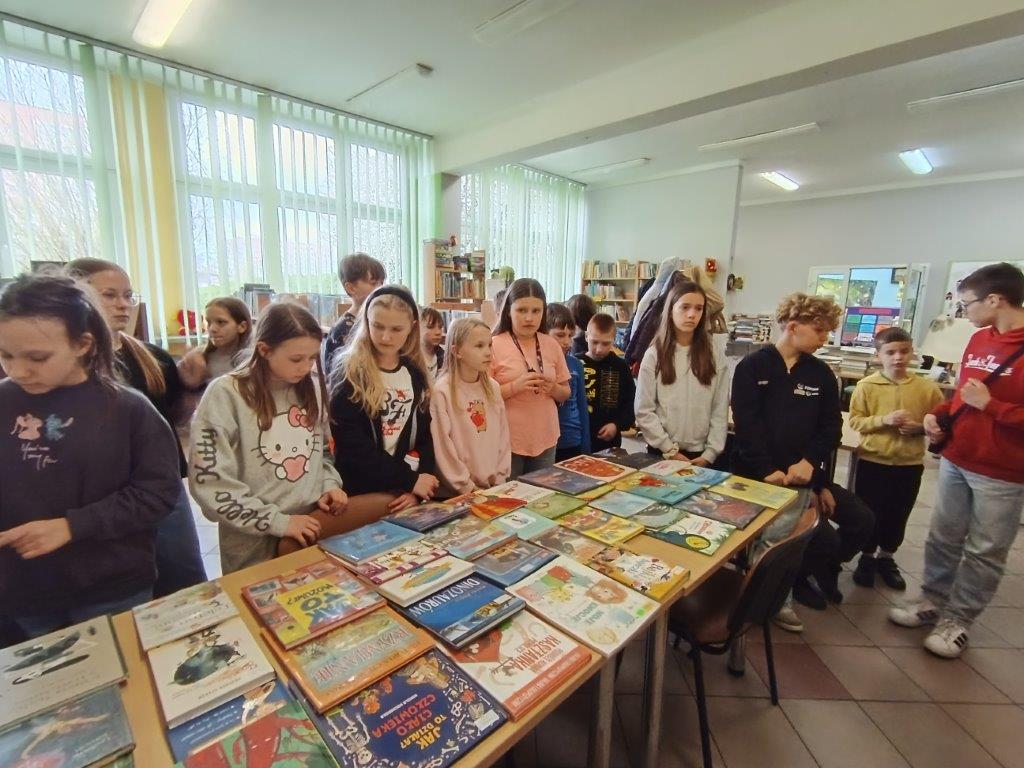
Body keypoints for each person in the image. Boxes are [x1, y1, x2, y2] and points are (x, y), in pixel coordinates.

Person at [0, 274, 181, 637]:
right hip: (24, 589)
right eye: (5, 355)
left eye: (38, 357)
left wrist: (73, 526)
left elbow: (158, 493)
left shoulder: (128, 409)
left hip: (111, 586)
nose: (18, 371)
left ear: (83, 344)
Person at [890, 262, 1024, 658]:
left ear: (995, 299)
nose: (963, 312)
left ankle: (959, 620)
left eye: (967, 304)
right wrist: (939, 415)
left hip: (1002, 470)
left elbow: (983, 399)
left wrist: (992, 406)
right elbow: (964, 393)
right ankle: (932, 600)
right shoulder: (980, 338)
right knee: (943, 535)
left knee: (984, 550)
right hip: (957, 456)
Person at [66, 258, 206, 597]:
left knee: (183, 577)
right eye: (109, 295)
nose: (123, 305)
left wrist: (193, 383)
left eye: (128, 295)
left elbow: (172, 416)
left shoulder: (152, 357)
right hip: (108, 494)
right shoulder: (70, 368)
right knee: (128, 586)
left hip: (161, 483)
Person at [731, 292, 873, 621]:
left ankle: (779, 597)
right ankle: (756, 602)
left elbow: (831, 428)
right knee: (765, 539)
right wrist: (766, 469)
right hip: (756, 475)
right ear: (793, 326)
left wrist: (810, 463)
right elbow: (746, 425)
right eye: (820, 331)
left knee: (793, 541)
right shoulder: (752, 366)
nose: (825, 339)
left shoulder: (821, 374)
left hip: (801, 477)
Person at [188, 302, 348, 574]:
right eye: (296, 359)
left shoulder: (310, 388)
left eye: (312, 358)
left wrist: (329, 485)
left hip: (310, 525)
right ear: (264, 350)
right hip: (251, 541)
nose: (306, 367)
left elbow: (320, 452)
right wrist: (278, 522)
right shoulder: (225, 394)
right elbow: (211, 484)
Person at [848, 327, 943, 590]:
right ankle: (867, 557)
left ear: (912, 353)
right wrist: (884, 421)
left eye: (904, 351)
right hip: (873, 461)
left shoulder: (927, 389)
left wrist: (920, 428)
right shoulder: (866, 386)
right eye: (890, 352)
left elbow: (939, 423)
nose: (898, 357)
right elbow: (856, 421)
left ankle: (886, 557)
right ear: (878, 355)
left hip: (909, 464)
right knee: (870, 512)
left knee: (898, 513)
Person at [329, 285, 438, 513]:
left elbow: (425, 437)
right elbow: (354, 447)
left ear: (412, 328)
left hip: (402, 492)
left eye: (396, 329)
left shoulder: (415, 373)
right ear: (366, 322)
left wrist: (417, 487)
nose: (386, 337)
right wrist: (410, 481)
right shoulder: (349, 373)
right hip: (358, 491)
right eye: (377, 326)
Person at [635, 279, 726, 466]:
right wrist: (669, 449)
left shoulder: (714, 355)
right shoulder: (654, 355)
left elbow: (720, 408)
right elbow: (644, 410)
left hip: (701, 455)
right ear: (670, 310)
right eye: (685, 307)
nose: (692, 314)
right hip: (662, 453)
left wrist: (710, 454)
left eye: (698, 309)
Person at [490, 279, 571, 477]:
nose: (529, 318)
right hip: (507, 439)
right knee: (508, 493)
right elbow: (482, 397)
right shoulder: (493, 344)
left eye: (536, 311)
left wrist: (553, 388)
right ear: (508, 311)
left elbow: (565, 392)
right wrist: (514, 387)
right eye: (522, 310)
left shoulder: (551, 344)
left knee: (542, 493)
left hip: (546, 436)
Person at [430, 318, 511, 495]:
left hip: (492, 488)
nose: (488, 352)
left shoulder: (493, 388)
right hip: (456, 493)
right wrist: (466, 487)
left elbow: (503, 437)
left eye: (489, 345)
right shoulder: (442, 391)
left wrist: (500, 479)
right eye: (479, 346)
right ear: (457, 351)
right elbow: (443, 448)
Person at [580, 313, 636, 454]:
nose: (599, 349)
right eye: (594, 342)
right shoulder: (575, 364)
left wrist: (617, 425)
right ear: (586, 336)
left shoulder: (621, 367)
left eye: (606, 344)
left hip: (609, 441)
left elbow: (631, 403)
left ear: (614, 341)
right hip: (578, 439)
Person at [323, 252, 385, 376]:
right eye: (373, 283)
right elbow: (335, 374)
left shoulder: (381, 319)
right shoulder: (342, 329)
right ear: (351, 288)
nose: (380, 288)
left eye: (381, 283)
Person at [546, 303, 591, 461]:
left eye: (570, 336)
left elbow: (582, 408)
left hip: (572, 441)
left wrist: (586, 448)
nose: (567, 342)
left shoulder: (576, 364)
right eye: (560, 335)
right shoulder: (538, 365)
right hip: (547, 443)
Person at [178, 297, 253, 389]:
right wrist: (189, 377)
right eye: (209, 322)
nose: (212, 328)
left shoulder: (250, 359)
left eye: (220, 322)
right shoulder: (199, 356)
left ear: (242, 327)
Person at [420, 306, 446, 382]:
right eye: (431, 327)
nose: (438, 332)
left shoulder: (445, 357)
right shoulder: (409, 358)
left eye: (440, 327)